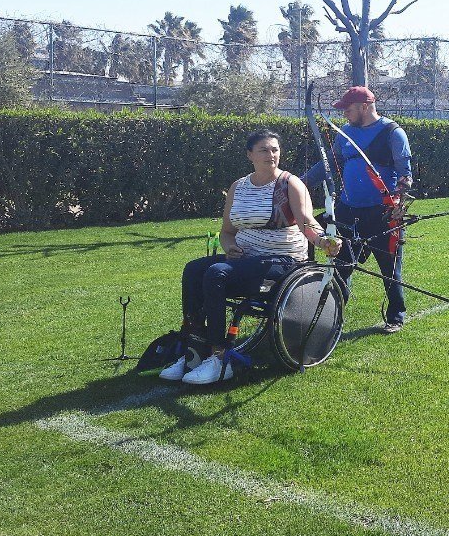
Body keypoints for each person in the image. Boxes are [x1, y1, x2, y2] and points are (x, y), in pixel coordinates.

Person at [161, 129, 340, 385]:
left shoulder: (290, 183)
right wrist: (230, 246)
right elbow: (227, 232)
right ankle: (194, 349)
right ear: (250, 155)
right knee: (193, 269)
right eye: (264, 150)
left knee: (215, 273)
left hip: (281, 262)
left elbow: (306, 221)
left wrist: (323, 241)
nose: (271, 155)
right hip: (245, 260)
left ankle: (219, 355)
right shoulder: (239, 187)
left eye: (275, 149)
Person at [322, 86, 414, 334]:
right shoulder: (345, 134)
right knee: (342, 265)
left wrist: (399, 203)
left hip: (383, 212)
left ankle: (396, 315)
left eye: (348, 110)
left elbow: (405, 174)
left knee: (390, 266)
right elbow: (329, 164)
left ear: (364, 107)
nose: (344, 115)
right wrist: (292, 183)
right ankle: (333, 319)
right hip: (348, 210)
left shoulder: (392, 132)